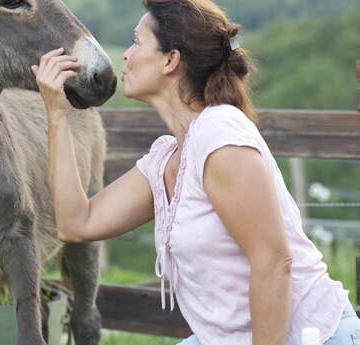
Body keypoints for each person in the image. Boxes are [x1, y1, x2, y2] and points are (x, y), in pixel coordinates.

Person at [30, 0, 359, 344]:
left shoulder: (220, 136)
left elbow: (274, 263)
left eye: (137, 42)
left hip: (314, 336)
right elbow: (76, 223)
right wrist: (58, 115)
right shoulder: (166, 160)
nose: (126, 55)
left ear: (171, 60)